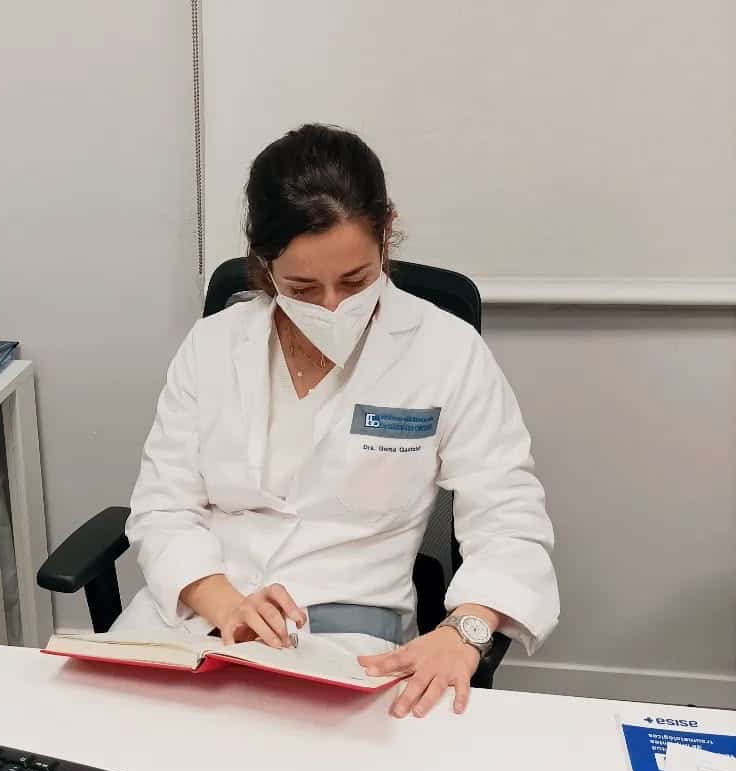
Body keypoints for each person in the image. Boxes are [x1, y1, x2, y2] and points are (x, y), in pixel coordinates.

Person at [114, 123, 558, 718]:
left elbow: (510, 520)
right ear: (264, 265)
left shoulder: (446, 352)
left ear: (386, 233)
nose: (332, 306)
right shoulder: (213, 346)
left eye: (355, 280)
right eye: (301, 287)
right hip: (197, 617)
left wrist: (466, 631)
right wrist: (224, 604)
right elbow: (163, 507)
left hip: (349, 632)